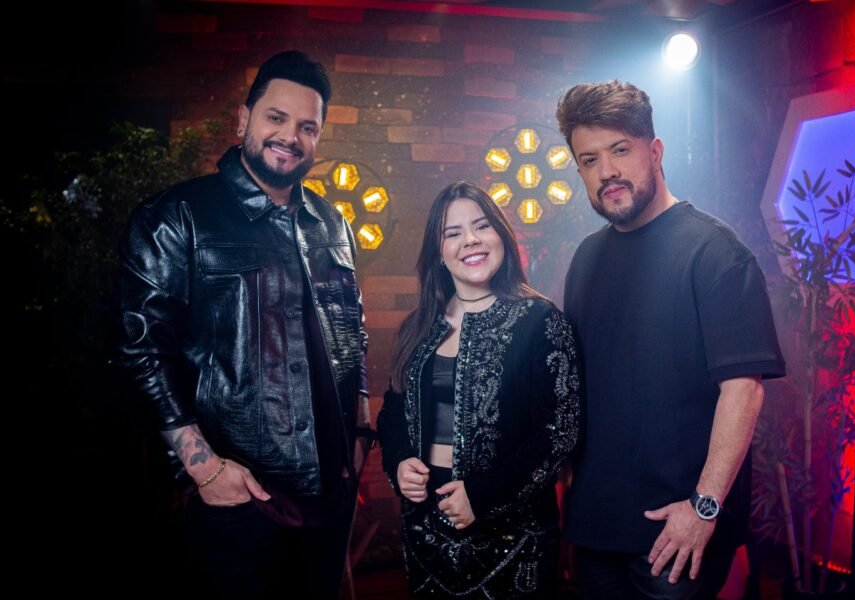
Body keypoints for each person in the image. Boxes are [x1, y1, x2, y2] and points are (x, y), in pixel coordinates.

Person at [118, 50, 371, 598]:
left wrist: (361, 430)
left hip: (330, 490)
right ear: (243, 119)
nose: (290, 137)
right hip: (236, 496)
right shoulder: (176, 216)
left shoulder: (333, 223)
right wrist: (204, 469)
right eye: (276, 118)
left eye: (307, 127)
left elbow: (353, 327)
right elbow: (141, 353)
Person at [557, 80, 785, 599]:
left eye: (620, 150)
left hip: (677, 532)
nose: (607, 171)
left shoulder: (716, 252)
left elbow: (743, 391)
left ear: (655, 152)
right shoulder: (586, 258)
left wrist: (704, 508)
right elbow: (584, 388)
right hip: (596, 528)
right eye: (589, 160)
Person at [377, 181, 583, 598]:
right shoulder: (418, 327)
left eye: (482, 226)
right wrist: (398, 463)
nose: (470, 240)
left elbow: (559, 434)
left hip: (515, 536)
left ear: (501, 236)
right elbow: (393, 413)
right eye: (453, 233)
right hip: (426, 528)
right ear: (439, 252)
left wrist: (481, 496)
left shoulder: (540, 321)